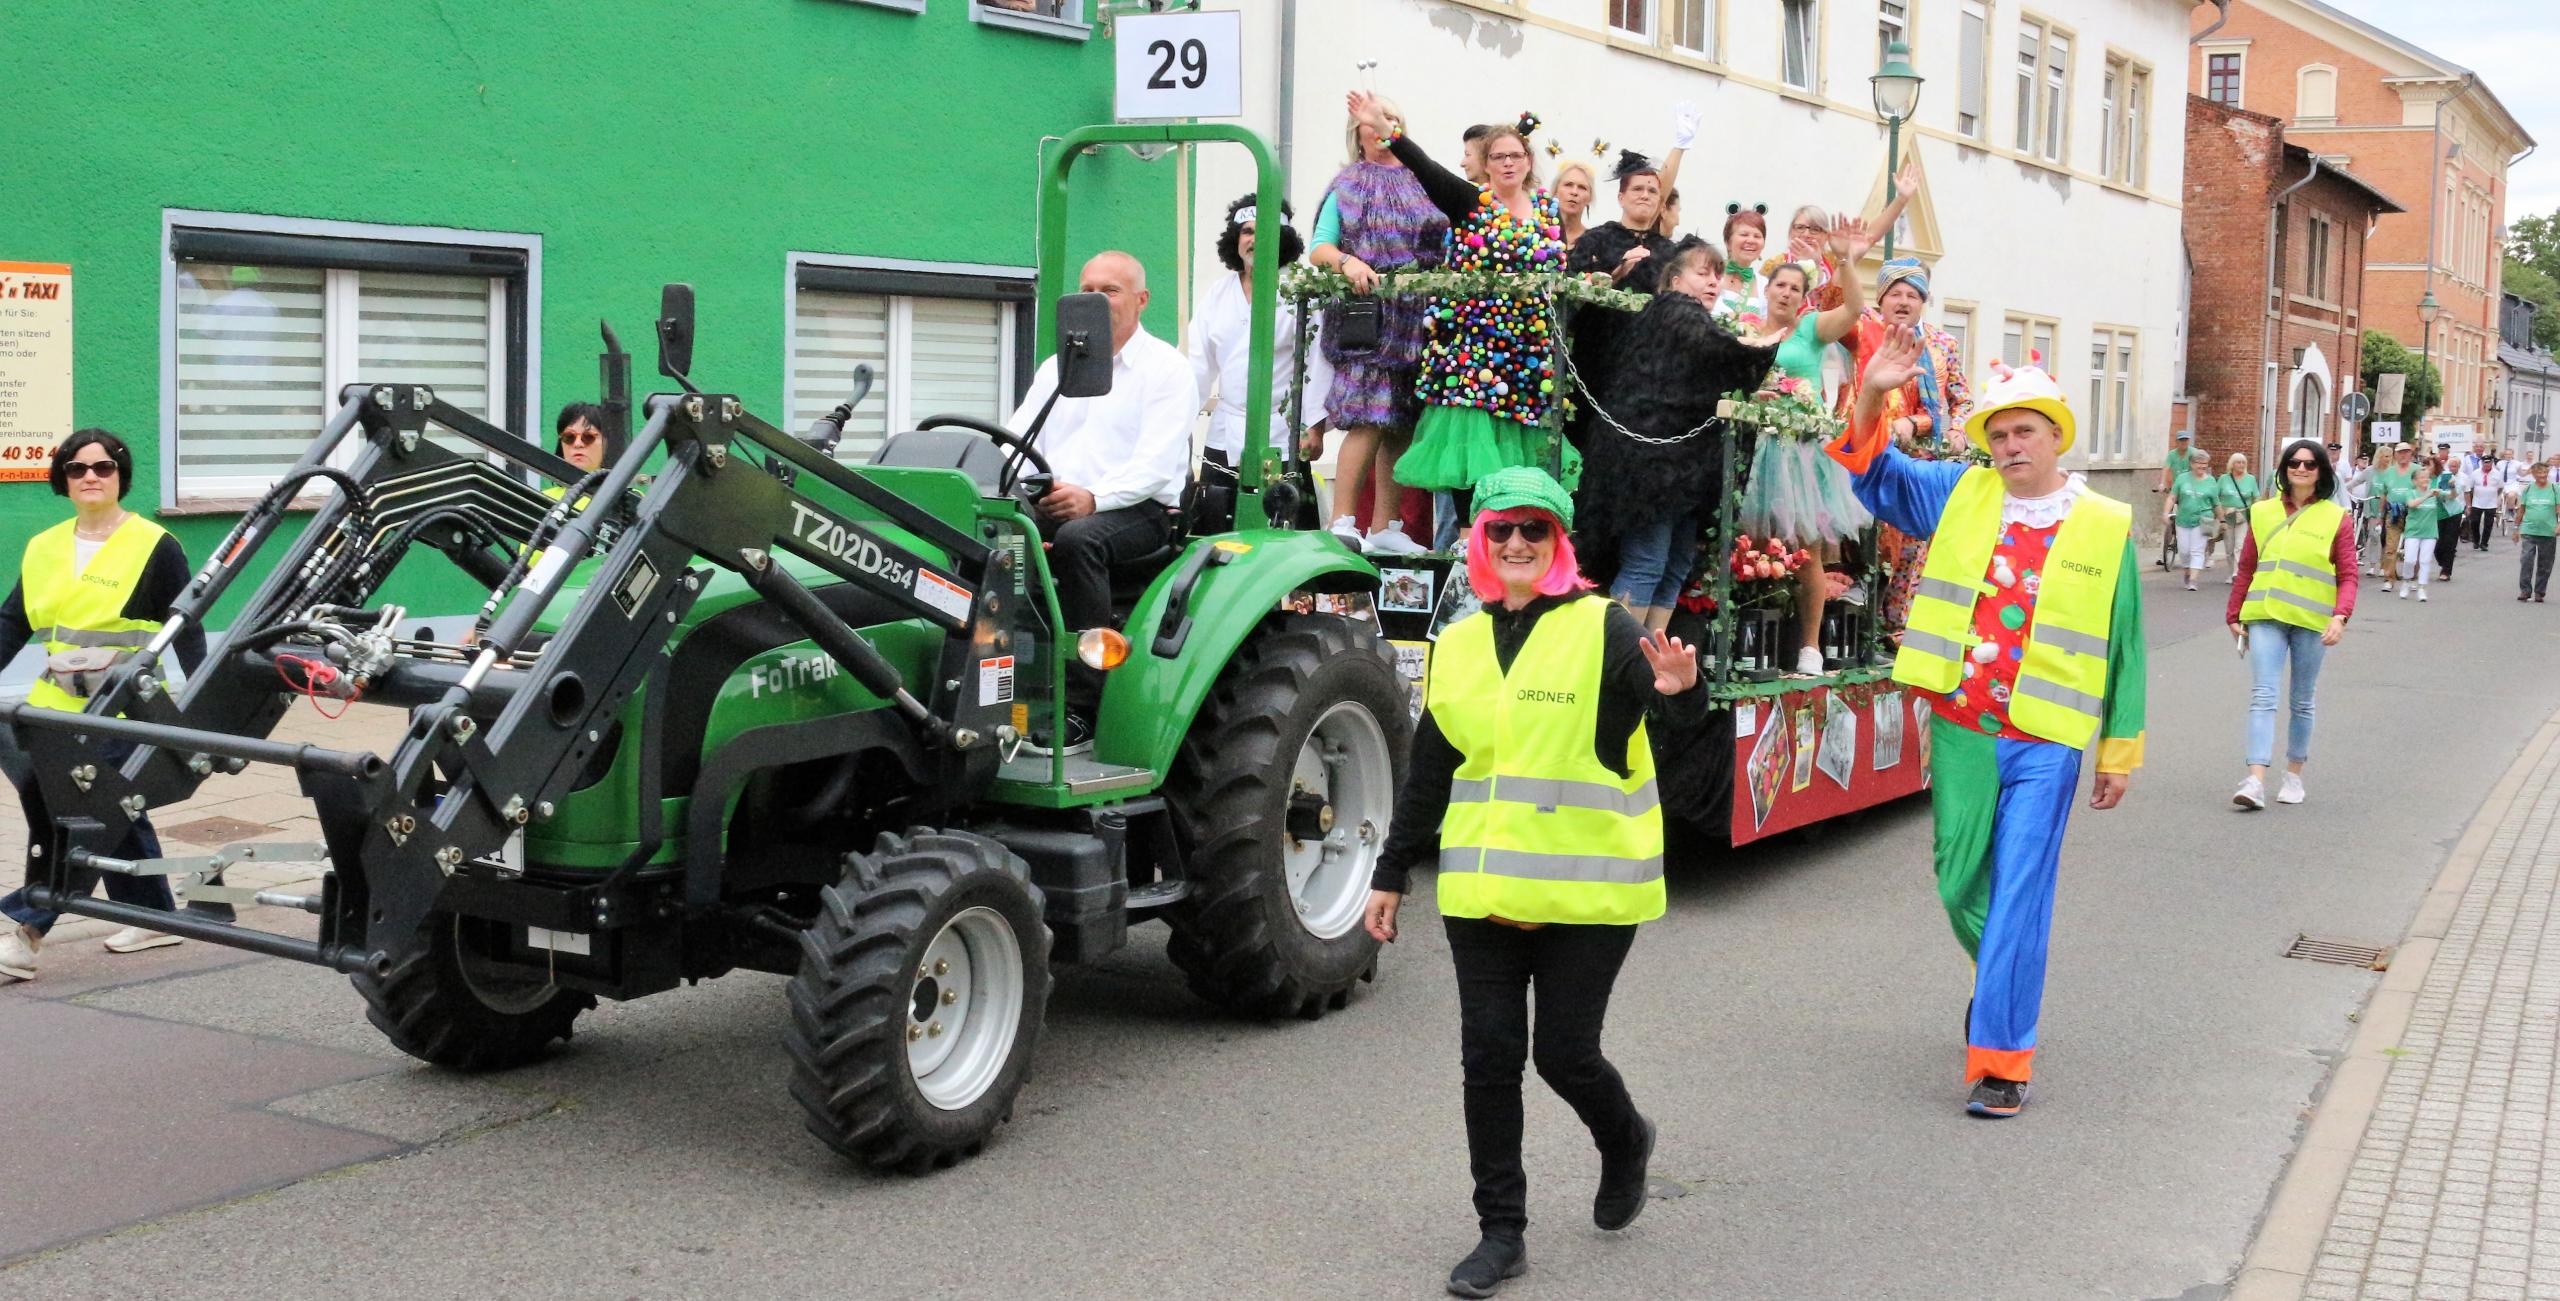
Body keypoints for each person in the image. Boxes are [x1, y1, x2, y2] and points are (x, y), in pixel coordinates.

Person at [1361, 465, 1703, 1297]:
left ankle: (1625, 1140)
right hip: (1481, 892)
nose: (1516, 543)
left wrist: (1678, 693)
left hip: (1587, 892)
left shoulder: (1604, 627)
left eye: (1534, 530)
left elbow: (1659, 715)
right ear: (1478, 542)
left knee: (1563, 1053)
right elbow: (1432, 769)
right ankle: (1501, 1232)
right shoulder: (1462, 641)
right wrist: (1390, 870)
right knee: (1489, 1057)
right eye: (1500, 530)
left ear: (1559, 542)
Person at [1828, 330, 2146, 1118]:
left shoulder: (2104, 523)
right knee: (1958, 883)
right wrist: (1871, 392)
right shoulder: (1961, 491)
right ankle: (1999, 977)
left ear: (2054, 436)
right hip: (1963, 724)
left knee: (2020, 894)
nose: (2009, 445)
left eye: (2023, 432)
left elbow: (2127, 646)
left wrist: (2120, 751)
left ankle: (2003, 1058)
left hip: (2048, 736)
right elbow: (1872, 472)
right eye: (1998, 434)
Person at [1, 430, 214, 981]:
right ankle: (153, 914)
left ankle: (26, 927)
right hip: (56, 705)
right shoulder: (45, 545)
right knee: (116, 805)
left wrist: (202, 710)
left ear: (121, 476)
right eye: (77, 468)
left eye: (104, 467)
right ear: (62, 479)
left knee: (89, 809)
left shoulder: (154, 544)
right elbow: (13, 621)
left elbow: (185, 628)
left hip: (126, 705)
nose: (91, 476)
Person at [1004, 251, 1197, 747]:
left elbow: (1154, 469)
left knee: (1077, 541)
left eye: (1109, 291)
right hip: (1058, 499)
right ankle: (996, 686)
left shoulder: (1167, 371)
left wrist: (1092, 497)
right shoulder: (1058, 368)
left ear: (1140, 300)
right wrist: (1008, 483)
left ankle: (1083, 707)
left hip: (1140, 511)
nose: (1095, 301)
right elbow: (1020, 439)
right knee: (988, 528)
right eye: (1087, 291)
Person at [1344, 94, 1567, 513]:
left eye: (1515, 155)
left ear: (1528, 160)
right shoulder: (1470, 202)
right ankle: (1469, 536)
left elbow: (1560, 270)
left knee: (1520, 446)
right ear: (1484, 163)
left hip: (1527, 352)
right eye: (1498, 156)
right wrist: (1384, 127)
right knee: (1474, 445)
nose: (1507, 164)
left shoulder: (1547, 211)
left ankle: (1509, 527)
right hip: (1474, 350)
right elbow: (1424, 167)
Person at [1578, 238, 1779, 630]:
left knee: (1674, 566)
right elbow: (1719, 352)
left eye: (1718, 275)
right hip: (1652, 470)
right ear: (1673, 279)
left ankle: (1652, 662)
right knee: (1648, 562)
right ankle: (1620, 663)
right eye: (1702, 272)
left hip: (1680, 470)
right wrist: (1759, 346)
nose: (1713, 283)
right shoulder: (1675, 308)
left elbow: (1698, 378)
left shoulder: (1685, 318)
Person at [1310, 95, 1449, 557]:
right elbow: (1321, 247)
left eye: (1391, 119)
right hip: (1368, 318)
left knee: (1401, 423)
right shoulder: (1347, 185)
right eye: (1373, 122)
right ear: (1359, 134)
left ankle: (1386, 522)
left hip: (1416, 317)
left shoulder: (1421, 181)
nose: (1382, 128)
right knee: (1367, 419)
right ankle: (1342, 519)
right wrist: (1348, 262)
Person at [1749, 225, 1873, 674]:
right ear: (1767, 290)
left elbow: (1855, 308)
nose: (1785, 292)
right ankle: (1751, 637)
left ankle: (1810, 646)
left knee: (1808, 553)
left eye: (1794, 287)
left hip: (1802, 455)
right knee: (1752, 545)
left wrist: (1845, 261)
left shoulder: (1809, 329)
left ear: (1803, 296)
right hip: (1758, 449)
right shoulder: (1746, 331)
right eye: (1779, 285)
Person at [1843, 256, 1970, 636]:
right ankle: (1858, 632)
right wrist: (1846, 256)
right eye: (1895, 293)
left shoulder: (1943, 344)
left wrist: (1954, 428)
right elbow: (1835, 301)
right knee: (1864, 547)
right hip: (1870, 455)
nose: (1903, 301)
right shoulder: (1863, 331)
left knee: (1914, 549)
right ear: (1880, 299)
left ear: (1924, 300)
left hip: (1921, 461)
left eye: (1913, 294)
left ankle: (1898, 628)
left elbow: (1959, 400)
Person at [2227, 439, 2356, 810]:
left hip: (2312, 621)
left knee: (2302, 700)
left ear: (2322, 472)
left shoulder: (2336, 518)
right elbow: (2248, 565)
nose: (2301, 469)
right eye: (2294, 463)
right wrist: (2234, 612)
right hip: (2266, 614)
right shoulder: (2263, 511)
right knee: (2263, 696)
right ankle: (2255, 780)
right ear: (2283, 469)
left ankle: (2294, 774)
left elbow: (2348, 575)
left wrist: (2340, 616)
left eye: (2310, 464)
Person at [1189, 193, 1328, 534]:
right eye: (1247, 231)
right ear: (1235, 240)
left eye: (1263, 231)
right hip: (1225, 434)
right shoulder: (1217, 295)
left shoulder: (1301, 291)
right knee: (1216, 537)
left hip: (1284, 434)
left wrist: (1314, 426)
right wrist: (1177, 422)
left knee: (1284, 540)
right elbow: (1196, 366)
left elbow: (1318, 362)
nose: (1254, 239)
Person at [2396, 452, 2447, 602]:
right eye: (2422, 478)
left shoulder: (2434, 492)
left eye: (2427, 478)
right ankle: (2406, 581)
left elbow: (2451, 496)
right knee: (2410, 560)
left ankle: (2422, 587)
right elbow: (2412, 505)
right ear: (2415, 481)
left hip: (2430, 532)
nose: (2425, 480)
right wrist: (2428, 496)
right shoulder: (2410, 493)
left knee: (2425, 560)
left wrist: (2453, 488)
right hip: (2413, 531)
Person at [2167, 447, 2217, 591]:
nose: (2202, 466)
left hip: (2204, 519)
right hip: (2183, 519)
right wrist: (2166, 512)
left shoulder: (2211, 481)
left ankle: (2193, 580)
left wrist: (2222, 520)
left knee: (2197, 550)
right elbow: (2172, 496)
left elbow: (2216, 502)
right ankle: (2187, 571)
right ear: (2191, 464)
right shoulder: (2182, 479)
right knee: (2184, 551)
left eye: (2205, 463)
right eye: (2198, 463)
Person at [2373, 443, 2417, 593]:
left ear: (2411, 454)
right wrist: (2380, 514)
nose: (2403, 455)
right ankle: (2389, 578)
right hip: (2393, 513)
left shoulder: (2417, 470)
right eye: (2400, 453)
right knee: (2390, 547)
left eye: (2406, 452)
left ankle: (2412, 578)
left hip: (2413, 512)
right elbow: (2384, 494)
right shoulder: (2389, 472)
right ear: (2396, 455)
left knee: (2413, 547)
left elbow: (2424, 489)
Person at [2518, 459, 2557, 602]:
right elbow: (2521, 510)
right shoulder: (2528, 489)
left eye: (2545, 472)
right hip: (2529, 530)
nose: (2543, 475)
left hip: (2548, 532)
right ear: (2533, 474)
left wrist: (2559, 524)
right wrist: (2516, 529)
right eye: (2540, 472)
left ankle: (2540, 591)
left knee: (2545, 564)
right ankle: (2525, 590)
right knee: (2526, 560)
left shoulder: (2554, 488)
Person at [2213, 451, 2258, 572]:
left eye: (2244, 462)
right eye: (2238, 462)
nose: (2241, 465)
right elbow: (2215, 497)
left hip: (2242, 516)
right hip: (2227, 517)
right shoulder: (2223, 479)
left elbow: (2256, 498)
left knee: (2240, 546)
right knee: (2229, 548)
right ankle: (2230, 571)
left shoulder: (2251, 479)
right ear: (2232, 464)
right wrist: (2220, 511)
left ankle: (2236, 573)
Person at [2432, 452, 2469, 582]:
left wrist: (2441, 491)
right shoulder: (2434, 477)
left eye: (2455, 465)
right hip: (2438, 513)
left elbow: (2453, 494)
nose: (2453, 468)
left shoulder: (2454, 477)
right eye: (2451, 465)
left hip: (2453, 512)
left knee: (2449, 542)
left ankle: (2446, 570)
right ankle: (2444, 563)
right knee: (2437, 545)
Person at [2469, 448, 2508, 551]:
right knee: (2474, 522)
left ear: (2491, 463)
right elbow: (2471, 487)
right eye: (2485, 463)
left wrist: (2494, 495)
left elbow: (2500, 487)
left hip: (2491, 502)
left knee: (2488, 524)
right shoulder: (2475, 473)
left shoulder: (2497, 473)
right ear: (2482, 463)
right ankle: (2476, 540)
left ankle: (2484, 543)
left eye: (2489, 463)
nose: (2487, 465)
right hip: (2477, 502)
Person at [1552, 158, 1595, 250]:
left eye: (1582, 187)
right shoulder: (1539, 234)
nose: (1574, 192)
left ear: (1590, 198)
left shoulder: (1595, 243)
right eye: (1568, 185)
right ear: (1555, 191)